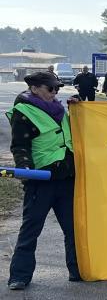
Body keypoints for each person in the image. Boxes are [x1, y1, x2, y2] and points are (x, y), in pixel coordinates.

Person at [5, 72, 81, 290]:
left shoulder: (60, 109)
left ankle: (77, 270)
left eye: (57, 89)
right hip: (41, 179)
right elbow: (19, 145)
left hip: (66, 177)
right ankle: (19, 276)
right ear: (35, 88)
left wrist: (78, 110)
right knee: (31, 229)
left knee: (73, 228)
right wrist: (25, 168)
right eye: (51, 89)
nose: (55, 92)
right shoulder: (24, 111)